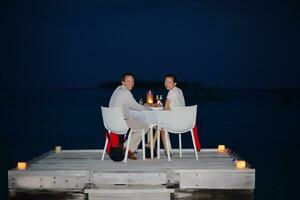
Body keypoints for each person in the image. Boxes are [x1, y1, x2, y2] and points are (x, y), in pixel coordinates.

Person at [109, 73, 150, 160]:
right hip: (121, 124)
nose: (131, 83)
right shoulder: (126, 92)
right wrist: (149, 109)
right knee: (146, 126)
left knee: (138, 123)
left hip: (112, 123)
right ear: (123, 82)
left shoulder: (117, 90)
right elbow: (136, 106)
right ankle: (127, 148)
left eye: (132, 81)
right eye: (128, 81)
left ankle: (128, 149)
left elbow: (127, 106)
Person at [161, 74, 185, 155]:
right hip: (184, 121)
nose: (167, 84)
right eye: (166, 82)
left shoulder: (171, 92)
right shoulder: (179, 91)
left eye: (169, 82)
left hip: (175, 122)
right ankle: (151, 145)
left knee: (161, 128)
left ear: (174, 84)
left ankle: (168, 151)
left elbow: (166, 107)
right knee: (159, 125)